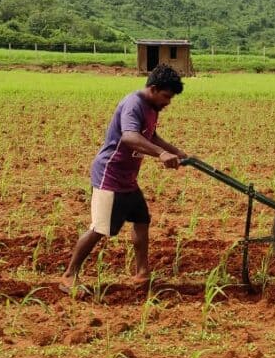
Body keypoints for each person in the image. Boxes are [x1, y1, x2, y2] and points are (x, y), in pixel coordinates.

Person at [61, 64, 188, 292]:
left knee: (141, 219)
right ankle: (69, 276)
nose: (168, 102)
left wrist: (176, 151)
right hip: (110, 175)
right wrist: (161, 154)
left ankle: (142, 274)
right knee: (99, 228)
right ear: (154, 88)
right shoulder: (134, 104)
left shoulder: (152, 107)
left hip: (128, 178)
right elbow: (130, 137)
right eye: (166, 96)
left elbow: (151, 135)